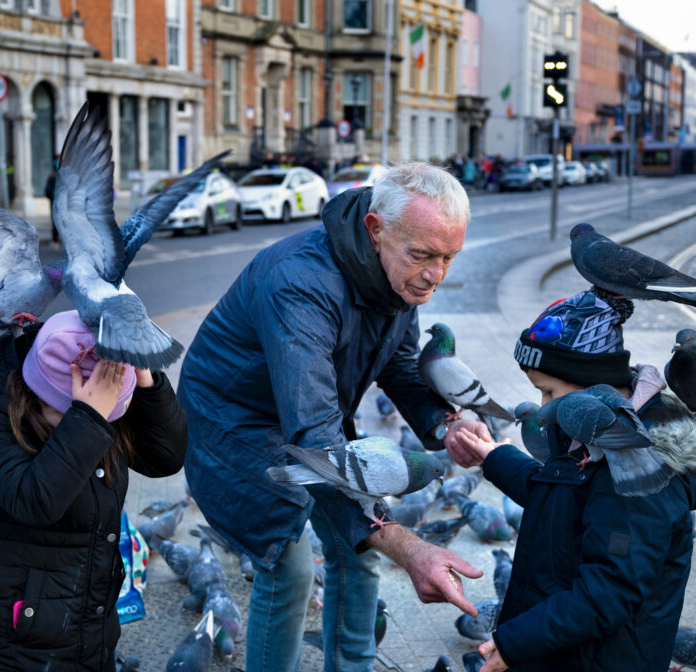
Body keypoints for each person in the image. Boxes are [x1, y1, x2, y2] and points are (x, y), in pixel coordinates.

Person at [179, 162, 483, 672]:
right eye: (425, 255)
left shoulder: (398, 272)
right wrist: (409, 548)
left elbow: (401, 364)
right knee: (289, 567)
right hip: (233, 422)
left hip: (307, 414)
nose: (436, 274)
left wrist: (444, 425)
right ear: (375, 228)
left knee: (358, 551)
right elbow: (316, 442)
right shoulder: (299, 284)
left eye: (450, 257)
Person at [445, 289, 696, 672]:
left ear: (591, 382)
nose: (543, 407)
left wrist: (515, 643)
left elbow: (609, 590)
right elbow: (560, 497)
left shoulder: (640, 472)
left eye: (549, 392)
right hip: (560, 646)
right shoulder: (586, 430)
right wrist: (496, 457)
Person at [0, 310, 187, 671]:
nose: (103, 421)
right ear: (36, 391)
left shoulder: (99, 397)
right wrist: (88, 414)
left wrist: (145, 378)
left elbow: (165, 459)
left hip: (89, 627)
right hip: (12, 645)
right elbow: (32, 501)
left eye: (108, 410)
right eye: (71, 408)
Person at [44, 159, 59, 250]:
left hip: (57, 202)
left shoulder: (56, 177)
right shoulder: (53, 177)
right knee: (55, 222)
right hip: (55, 202)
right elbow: (48, 191)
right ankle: (55, 241)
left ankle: (56, 241)